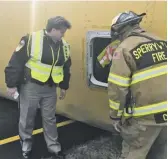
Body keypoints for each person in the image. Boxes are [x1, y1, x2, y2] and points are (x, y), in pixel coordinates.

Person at [4, 16, 72, 159]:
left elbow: (65, 67)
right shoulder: (31, 40)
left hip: (50, 89)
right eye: (61, 32)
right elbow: (15, 62)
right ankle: (26, 146)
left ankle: (54, 148)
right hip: (31, 87)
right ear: (53, 29)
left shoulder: (64, 46)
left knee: (50, 119)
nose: (63, 35)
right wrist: (11, 85)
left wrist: (64, 86)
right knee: (27, 118)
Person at [107, 11, 167, 159]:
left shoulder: (123, 49)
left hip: (143, 119)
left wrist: (115, 116)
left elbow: (118, 87)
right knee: (161, 152)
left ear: (120, 29)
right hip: (166, 114)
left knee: (133, 153)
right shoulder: (162, 42)